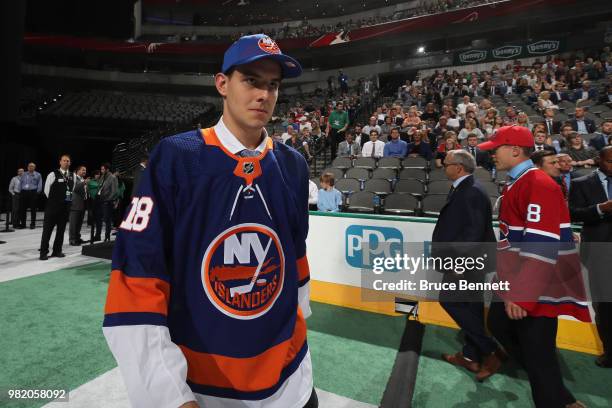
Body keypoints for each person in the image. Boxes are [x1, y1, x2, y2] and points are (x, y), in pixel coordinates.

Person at [102, 34, 317, 408]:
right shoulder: (176, 157)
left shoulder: (293, 165)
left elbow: (294, 265)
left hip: (291, 381)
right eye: (251, 80)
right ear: (222, 84)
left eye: (273, 85)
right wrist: (170, 396)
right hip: (206, 388)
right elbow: (137, 280)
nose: (263, 95)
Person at [478, 126, 589, 408]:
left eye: (496, 149)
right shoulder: (519, 181)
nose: (492, 155)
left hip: (535, 286)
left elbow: (542, 245)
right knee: (501, 325)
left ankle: (557, 400)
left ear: (515, 150)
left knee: (537, 352)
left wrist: (523, 294)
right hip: (516, 277)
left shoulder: (536, 183)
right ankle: (560, 396)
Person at [431, 149, 501, 381]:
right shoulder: (467, 187)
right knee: (470, 307)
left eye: (447, 163)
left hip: (467, 261)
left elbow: (471, 233)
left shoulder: (470, 191)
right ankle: (470, 357)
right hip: (472, 260)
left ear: (459, 168)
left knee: (449, 300)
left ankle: (490, 349)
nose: (444, 166)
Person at [569, 146, 612, 368]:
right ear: (599, 161)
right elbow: (572, 212)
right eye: (611, 161)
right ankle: (610, 351)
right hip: (598, 252)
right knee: (605, 305)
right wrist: (601, 209)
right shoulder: (581, 183)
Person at [40, 154, 74, 260]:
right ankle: (43, 252)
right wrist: (55, 201)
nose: (66, 162)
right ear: (60, 162)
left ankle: (57, 251)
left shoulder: (73, 175)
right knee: (47, 231)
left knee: (61, 231)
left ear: (70, 163)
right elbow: (46, 191)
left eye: (68, 161)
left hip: (64, 209)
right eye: (64, 160)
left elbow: (71, 191)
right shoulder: (53, 174)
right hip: (52, 208)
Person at [95, 163, 117, 242]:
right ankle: (97, 236)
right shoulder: (102, 177)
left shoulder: (113, 177)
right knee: (99, 219)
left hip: (107, 202)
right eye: (101, 169)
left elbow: (114, 191)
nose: (101, 171)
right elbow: (99, 187)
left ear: (107, 169)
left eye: (103, 169)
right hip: (100, 200)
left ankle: (107, 236)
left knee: (107, 220)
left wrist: (108, 200)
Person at [17, 162, 43, 229]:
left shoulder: (38, 174)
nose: (30, 167)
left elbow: (40, 184)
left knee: (33, 209)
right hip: (24, 192)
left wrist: (37, 192)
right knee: (22, 209)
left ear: (34, 167)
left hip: (33, 192)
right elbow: (21, 183)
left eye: (32, 166)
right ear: (27, 167)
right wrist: (20, 191)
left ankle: (32, 224)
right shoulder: (24, 174)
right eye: (29, 166)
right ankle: (23, 224)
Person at [69, 165, 88, 246]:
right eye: (83, 170)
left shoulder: (82, 179)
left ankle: (77, 237)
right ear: (77, 171)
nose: (84, 172)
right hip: (75, 204)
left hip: (82, 204)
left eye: (85, 170)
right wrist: (84, 183)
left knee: (79, 223)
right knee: (73, 223)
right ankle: (72, 239)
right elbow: (75, 188)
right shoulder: (74, 178)